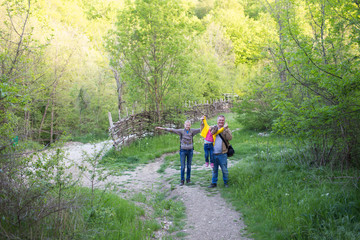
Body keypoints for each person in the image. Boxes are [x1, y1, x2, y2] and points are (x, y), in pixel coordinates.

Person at [156, 120, 200, 186]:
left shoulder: (192, 131)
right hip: (183, 151)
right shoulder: (181, 131)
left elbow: (200, 129)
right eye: (186, 125)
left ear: (190, 125)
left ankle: (188, 180)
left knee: (189, 166)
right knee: (182, 167)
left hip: (190, 151)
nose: (187, 126)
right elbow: (172, 130)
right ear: (184, 125)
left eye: (189, 125)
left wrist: (209, 126)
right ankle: (182, 181)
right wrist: (163, 128)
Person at [203, 115, 232, 188]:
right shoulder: (213, 128)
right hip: (213, 153)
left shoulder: (225, 129)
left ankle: (226, 183)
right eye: (220, 120)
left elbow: (230, 138)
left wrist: (227, 129)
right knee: (214, 170)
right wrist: (202, 121)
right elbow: (204, 131)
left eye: (222, 120)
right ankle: (213, 183)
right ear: (217, 121)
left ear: (224, 121)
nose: (221, 121)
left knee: (224, 170)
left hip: (222, 153)